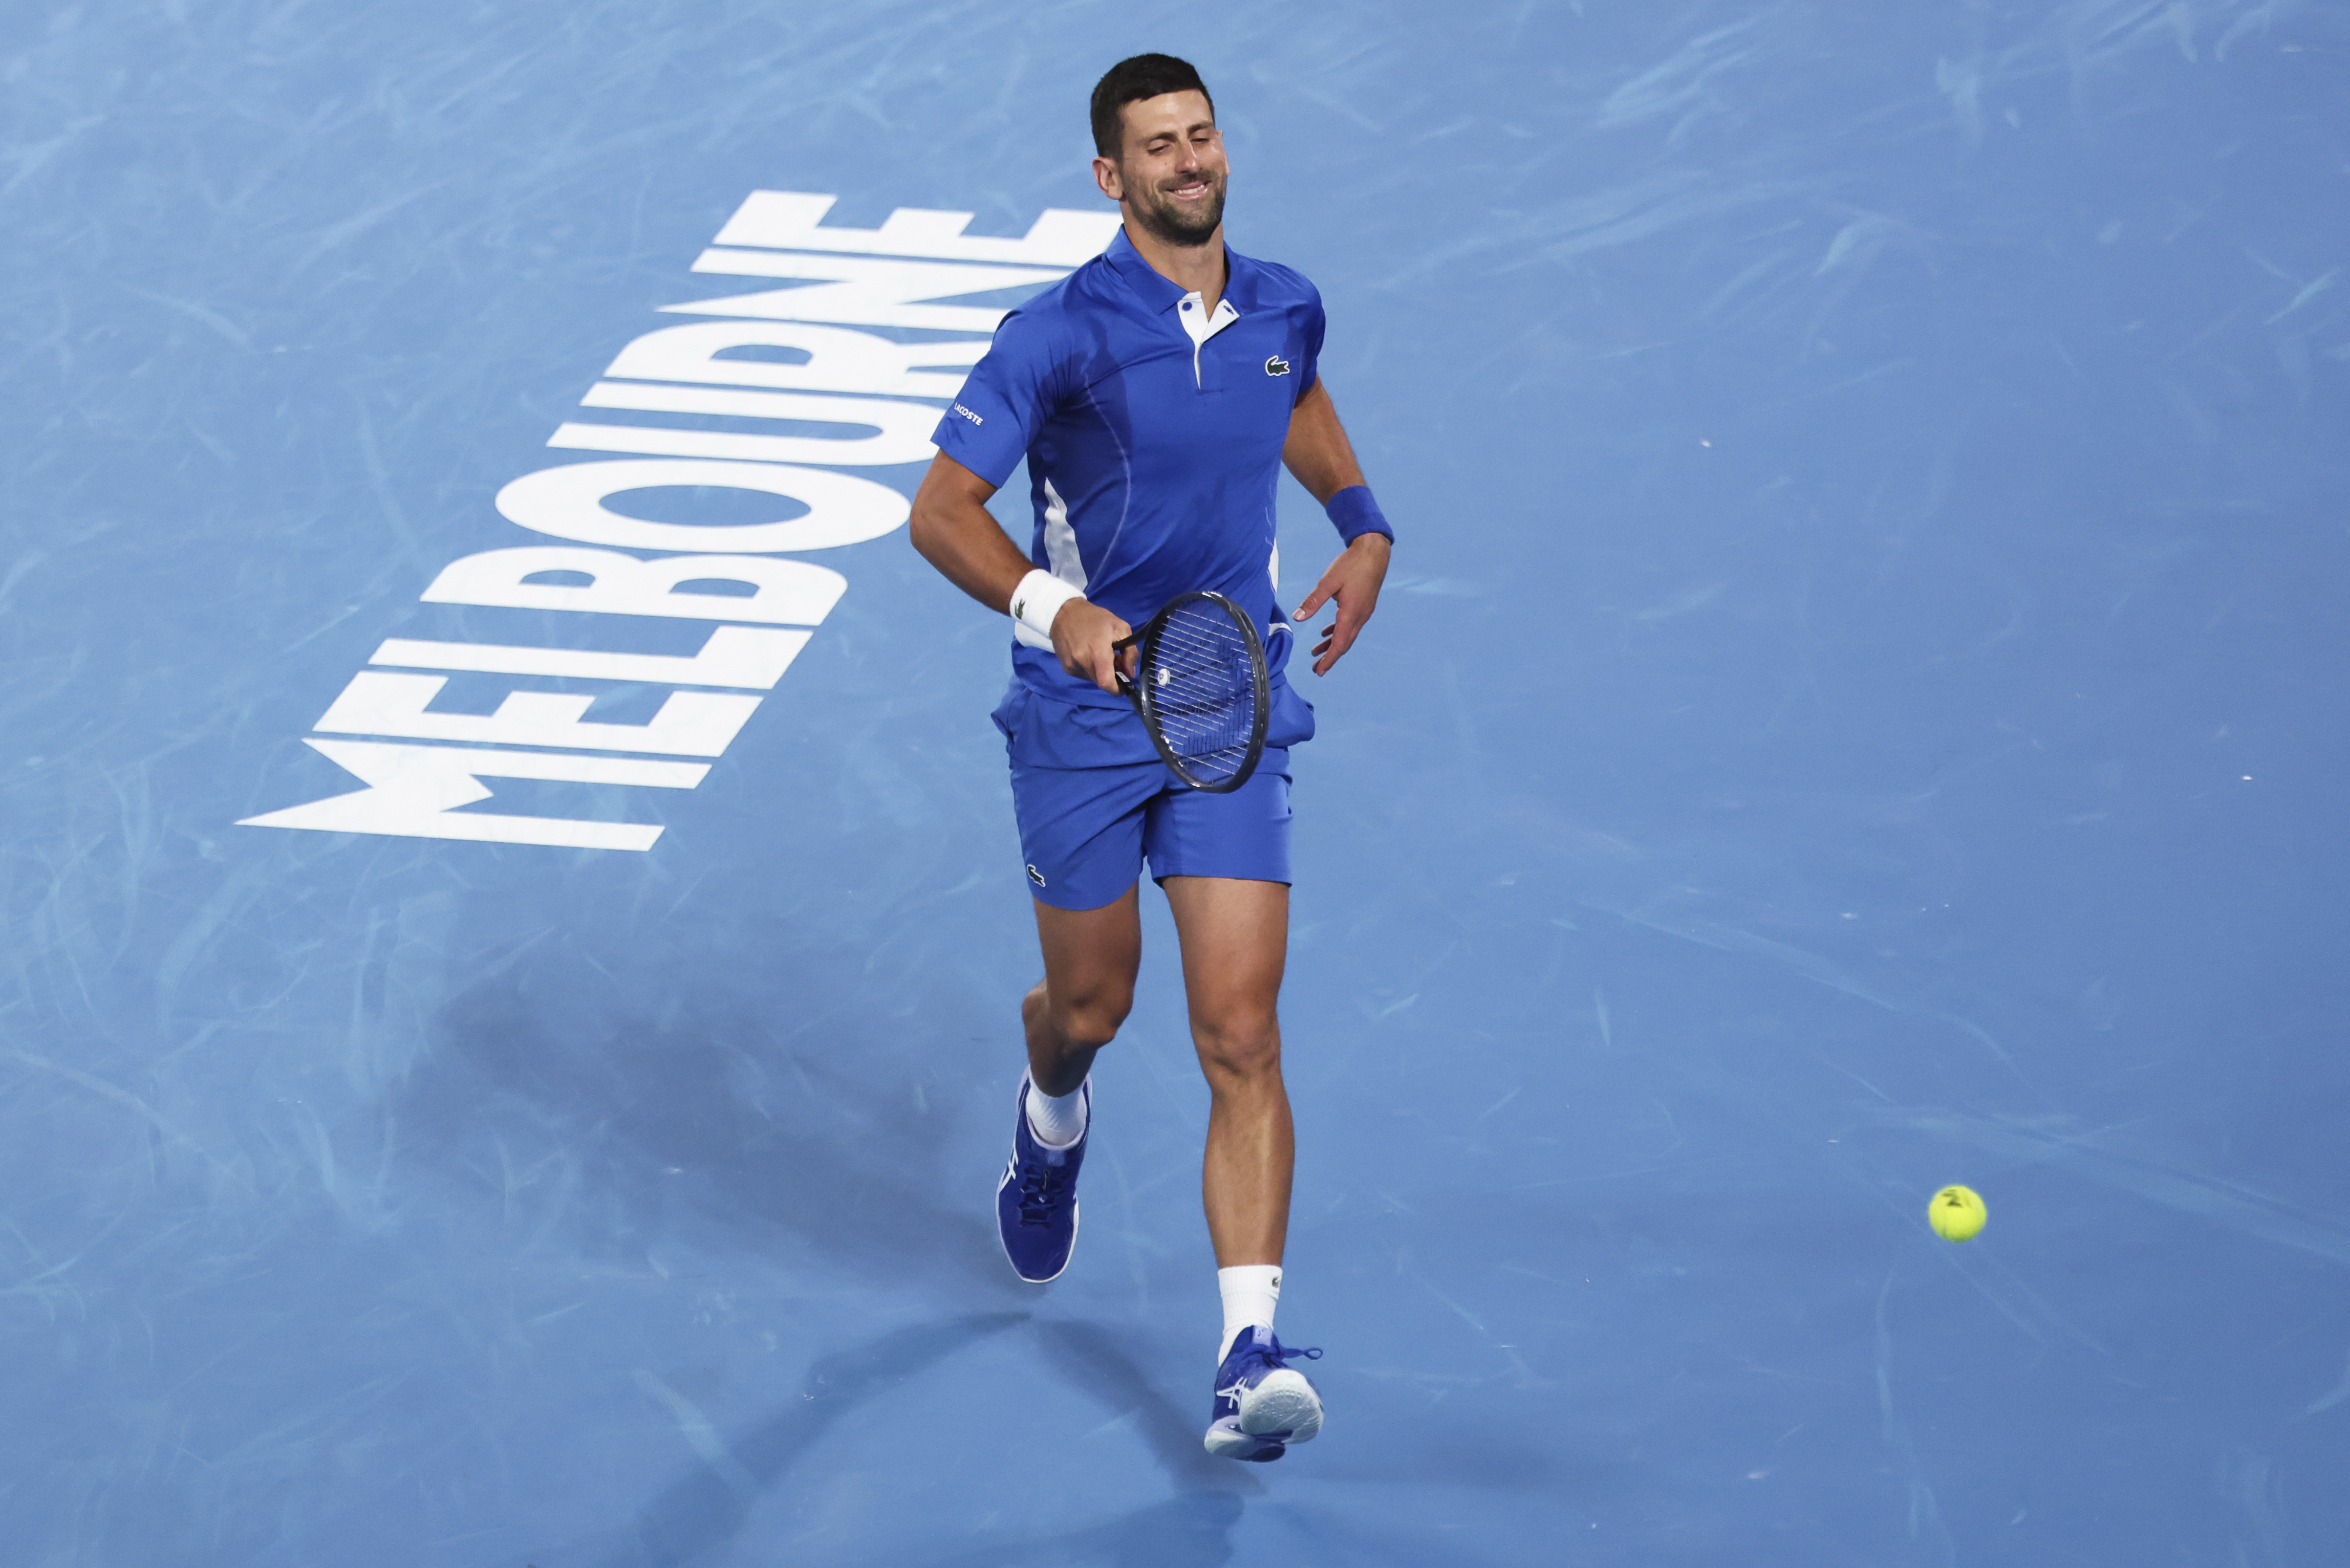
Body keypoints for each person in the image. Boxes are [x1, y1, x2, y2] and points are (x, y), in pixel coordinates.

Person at [908, 52, 1394, 1463]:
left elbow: (1292, 391)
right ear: (1111, 178)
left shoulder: (1284, 302)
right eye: (1157, 147)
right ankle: (1050, 1109)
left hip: (1226, 700)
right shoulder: (1056, 335)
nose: (1190, 161)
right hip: (1079, 720)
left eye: (1202, 136)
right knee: (1094, 1006)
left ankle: (1250, 1354)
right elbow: (941, 511)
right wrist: (1053, 610)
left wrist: (1362, 523)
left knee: (1240, 1031)